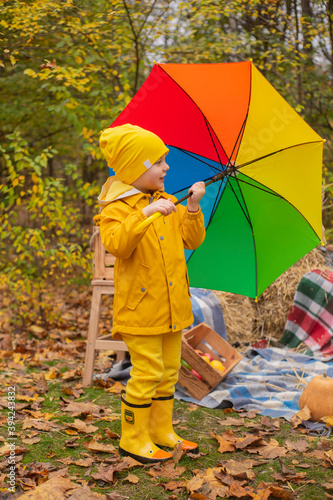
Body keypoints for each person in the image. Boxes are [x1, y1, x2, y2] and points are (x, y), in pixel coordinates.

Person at [98, 123, 206, 464]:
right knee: (146, 372)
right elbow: (116, 244)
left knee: (169, 371)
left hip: (172, 308)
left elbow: (192, 242)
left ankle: (162, 432)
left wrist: (191, 207)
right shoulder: (117, 207)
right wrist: (144, 213)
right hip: (140, 310)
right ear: (138, 167)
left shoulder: (166, 200)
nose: (167, 168)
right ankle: (133, 438)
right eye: (159, 161)